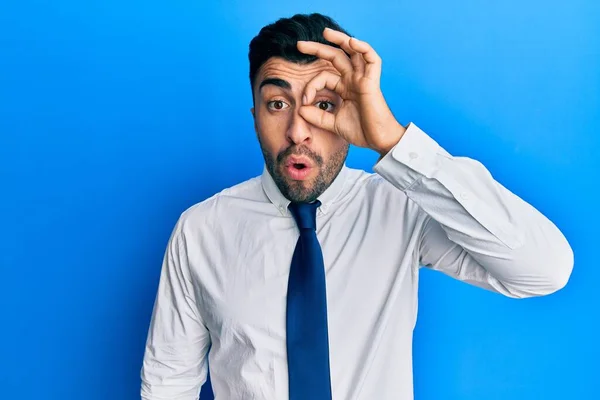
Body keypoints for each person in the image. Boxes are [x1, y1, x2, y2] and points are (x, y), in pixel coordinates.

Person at [140, 12, 574, 400]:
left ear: (351, 108)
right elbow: (167, 383)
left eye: (323, 105)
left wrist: (393, 141)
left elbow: (544, 270)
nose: (298, 131)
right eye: (277, 104)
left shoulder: (402, 208)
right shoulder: (201, 230)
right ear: (255, 115)